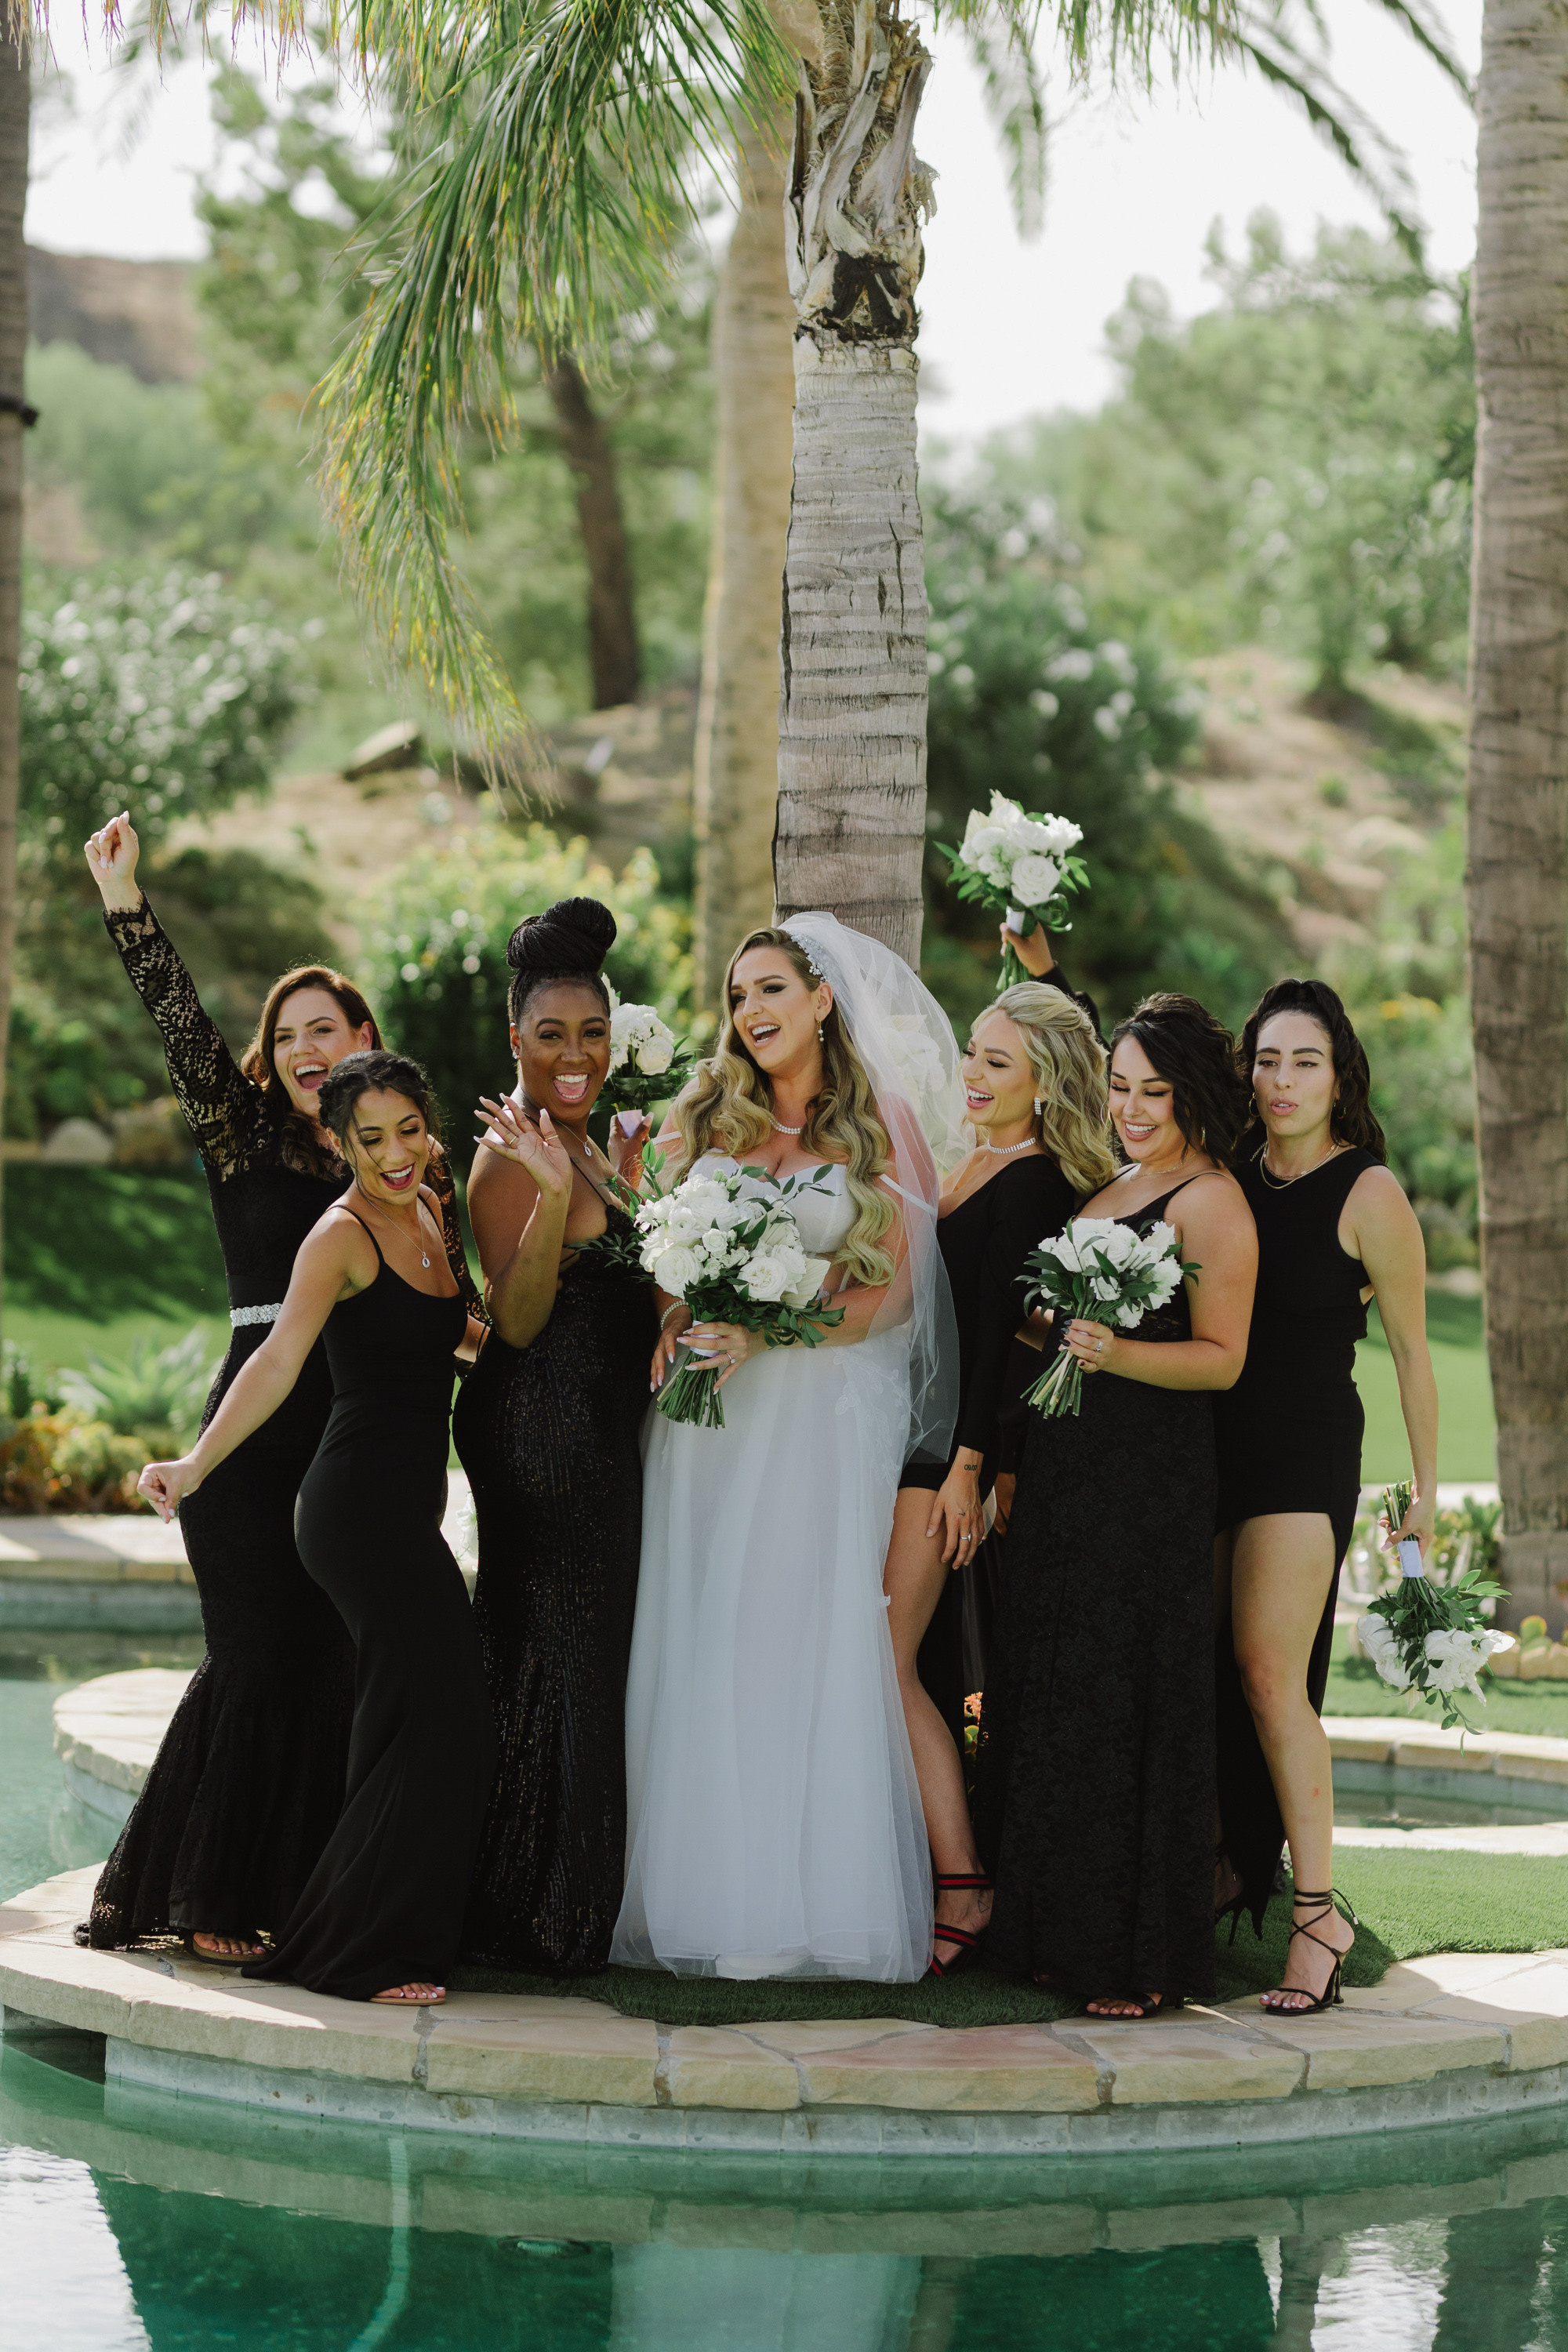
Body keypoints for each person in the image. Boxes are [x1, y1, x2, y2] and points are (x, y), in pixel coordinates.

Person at [76, 811, 472, 1966]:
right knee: (258, 1661)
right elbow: (178, 1022)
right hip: (254, 1443)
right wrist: (124, 901)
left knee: (337, 1667)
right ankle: (210, 1897)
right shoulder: (239, 1130)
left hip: (354, 1450)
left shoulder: (391, 1166)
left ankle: (312, 1890)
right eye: (287, 1033)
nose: (305, 1049)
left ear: (361, 1037)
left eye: (325, 1029)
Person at [611, 916, 962, 1982]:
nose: (750, 1013)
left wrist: (773, 1328)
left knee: (807, 1634)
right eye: (737, 996)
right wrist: (682, 1316)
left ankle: (817, 1908)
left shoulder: (884, 1124)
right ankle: (706, 1900)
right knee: (707, 1626)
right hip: (709, 1423)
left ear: (822, 1001)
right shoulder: (702, 1119)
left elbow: (897, 1295)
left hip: (824, 1416)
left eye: (770, 989)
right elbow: (659, 1260)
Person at [140, 1052, 495, 2005]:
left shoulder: (429, 1210)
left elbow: (463, 1336)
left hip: (403, 1509)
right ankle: (361, 1955)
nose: (393, 1155)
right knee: (441, 1713)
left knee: (409, 1720)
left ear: (429, 1124)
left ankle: (366, 1938)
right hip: (353, 1511)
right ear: (338, 1143)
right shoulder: (338, 1235)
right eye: (369, 1140)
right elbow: (276, 1360)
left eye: (408, 1131)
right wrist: (194, 1464)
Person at [974, 993, 1257, 2017]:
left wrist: (1115, 1349)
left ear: (1193, 1096)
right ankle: (1055, 1931)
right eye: (1122, 1088)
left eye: (1154, 1092)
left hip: (1147, 1486)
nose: (1132, 1109)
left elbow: (1223, 1360)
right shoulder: (1116, 1183)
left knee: (1127, 1700)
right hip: (1066, 1472)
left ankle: (1133, 1956)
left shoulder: (1210, 1199)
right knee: (1057, 1686)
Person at [1214, 977, 1437, 2013]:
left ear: (1339, 1072)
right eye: (1267, 1059)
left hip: (1304, 1454)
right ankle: (1220, 1868)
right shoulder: (1227, 1172)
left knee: (1269, 1670)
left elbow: (1412, 1358)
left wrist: (1424, 1498)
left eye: (1305, 1060)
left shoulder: (1368, 1192)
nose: (1283, 1079)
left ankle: (1318, 1917)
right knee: (1217, 1668)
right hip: (1208, 1445)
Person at [884, 983, 1112, 1975]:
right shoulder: (972, 1157)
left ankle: (964, 1882)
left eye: (996, 1064)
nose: (971, 1076)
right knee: (904, 1659)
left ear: (1046, 1084)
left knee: (882, 1661)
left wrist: (971, 1470)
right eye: (972, 1054)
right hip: (906, 1438)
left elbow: (995, 1343)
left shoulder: (1034, 1184)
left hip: (946, 1456)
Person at [454, 898, 659, 1975]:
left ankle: (539, 1891)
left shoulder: (593, 1143)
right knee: (565, 1651)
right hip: (543, 1431)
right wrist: (541, 1196)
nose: (574, 1055)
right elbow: (520, 1321)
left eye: (592, 1033)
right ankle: (544, 1911)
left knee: (572, 1655)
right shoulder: (509, 1158)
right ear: (514, 1040)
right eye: (551, 1035)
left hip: (595, 1428)